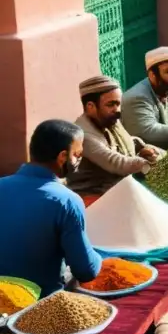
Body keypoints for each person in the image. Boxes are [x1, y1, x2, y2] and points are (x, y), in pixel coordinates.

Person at [0, 120, 102, 296]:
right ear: (63, 156)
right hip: (39, 305)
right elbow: (86, 271)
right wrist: (99, 256)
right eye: (77, 155)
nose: (79, 160)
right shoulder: (67, 201)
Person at [69, 76, 162, 198]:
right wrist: (150, 167)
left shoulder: (109, 121)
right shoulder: (83, 136)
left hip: (115, 191)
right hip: (92, 198)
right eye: (111, 104)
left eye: (118, 104)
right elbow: (117, 163)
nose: (117, 110)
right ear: (90, 106)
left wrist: (142, 149)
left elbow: (127, 143)